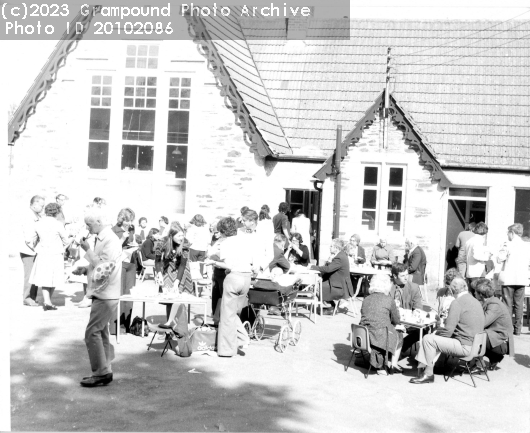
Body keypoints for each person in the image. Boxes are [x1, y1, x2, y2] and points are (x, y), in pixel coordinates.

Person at [410, 278, 485, 384]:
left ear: (452, 290)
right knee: (433, 338)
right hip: (477, 345)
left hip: (465, 346)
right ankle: (424, 366)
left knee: (428, 339)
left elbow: (448, 331)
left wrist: (437, 332)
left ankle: (428, 373)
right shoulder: (475, 301)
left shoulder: (457, 302)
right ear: (465, 287)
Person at [80, 206, 123, 387]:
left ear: (98, 222)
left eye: (89, 225)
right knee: (101, 332)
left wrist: (87, 250)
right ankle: (105, 370)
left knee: (92, 332)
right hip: (103, 292)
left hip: (106, 294)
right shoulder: (102, 238)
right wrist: (85, 268)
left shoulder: (110, 240)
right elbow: (100, 264)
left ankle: (100, 373)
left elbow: (104, 268)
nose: (88, 228)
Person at [204, 217, 257, 357]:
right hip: (246, 278)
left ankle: (228, 349)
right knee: (233, 313)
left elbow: (229, 265)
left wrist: (213, 263)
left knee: (227, 316)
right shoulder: (245, 239)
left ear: (222, 231)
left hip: (234, 277)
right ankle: (242, 339)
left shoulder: (226, 242)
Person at [28, 202, 71, 310]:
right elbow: (66, 240)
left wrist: (35, 248)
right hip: (55, 254)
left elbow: (30, 240)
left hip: (42, 253)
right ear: (57, 212)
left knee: (45, 277)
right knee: (53, 277)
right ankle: (47, 300)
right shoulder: (58, 224)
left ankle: (48, 301)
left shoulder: (38, 223)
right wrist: (66, 246)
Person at [359, 274, 403, 375]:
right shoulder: (389, 299)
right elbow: (396, 320)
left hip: (365, 335)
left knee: (385, 328)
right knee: (399, 333)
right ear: (387, 286)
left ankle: (384, 360)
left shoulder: (366, 299)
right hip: (380, 337)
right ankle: (394, 364)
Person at [156, 222, 193, 329]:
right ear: (171, 236)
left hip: (182, 269)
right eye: (179, 236)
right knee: (169, 299)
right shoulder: (162, 242)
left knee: (178, 298)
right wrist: (159, 274)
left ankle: (180, 328)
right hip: (167, 268)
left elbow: (182, 264)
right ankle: (169, 324)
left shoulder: (185, 243)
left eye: (183, 235)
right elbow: (157, 261)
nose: (182, 238)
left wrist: (177, 282)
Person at [473, 279, 514, 370]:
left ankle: (480, 366)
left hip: (501, 343)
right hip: (496, 338)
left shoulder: (494, 305)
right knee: (478, 333)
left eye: (475, 291)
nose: (474, 293)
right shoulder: (489, 302)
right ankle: (494, 357)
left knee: (474, 334)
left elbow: (482, 323)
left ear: (481, 294)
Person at [498, 223, 530, 336]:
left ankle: (507, 329)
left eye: (508, 232)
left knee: (507, 303)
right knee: (519, 304)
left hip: (509, 279)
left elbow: (499, 259)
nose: (507, 235)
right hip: (521, 279)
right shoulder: (527, 245)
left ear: (512, 233)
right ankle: (518, 329)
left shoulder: (507, 245)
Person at [310, 239, 353, 315]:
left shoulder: (339, 257)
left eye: (331, 246)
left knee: (316, 287)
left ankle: (332, 306)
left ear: (336, 248)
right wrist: (329, 260)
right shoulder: (340, 255)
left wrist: (313, 267)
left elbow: (328, 269)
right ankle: (333, 306)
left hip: (340, 287)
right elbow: (329, 267)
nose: (329, 247)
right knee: (319, 284)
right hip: (340, 284)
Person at [389, 263, 423, 354]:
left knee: (425, 330)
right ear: (395, 276)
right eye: (402, 275)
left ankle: (401, 347)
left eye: (407, 274)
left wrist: (417, 311)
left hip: (408, 323)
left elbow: (418, 306)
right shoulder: (387, 287)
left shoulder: (414, 287)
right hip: (391, 322)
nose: (406, 277)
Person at [20, 195, 45, 306]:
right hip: (29, 250)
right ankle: (27, 298)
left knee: (35, 274)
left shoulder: (36, 215)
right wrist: (36, 249)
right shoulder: (28, 216)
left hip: (34, 250)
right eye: (41, 205)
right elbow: (29, 238)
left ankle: (33, 297)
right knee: (29, 275)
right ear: (34, 204)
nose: (42, 208)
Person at [207, 219, 228, 325]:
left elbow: (222, 257)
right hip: (216, 270)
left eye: (217, 232)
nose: (215, 234)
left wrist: (215, 257)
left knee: (222, 295)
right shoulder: (216, 240)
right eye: (214, 232)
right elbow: (210, 254)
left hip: (224, 270)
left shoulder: (226, 241)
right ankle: (215, 318)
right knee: (215, 295)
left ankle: (219, 319)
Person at [464, 222, 492, 295]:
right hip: (477, 272)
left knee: (472, 293)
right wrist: (487, 257)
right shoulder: (479, 240)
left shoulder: (469, 241)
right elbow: (476, 255)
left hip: (470, 271)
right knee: (479, 295)